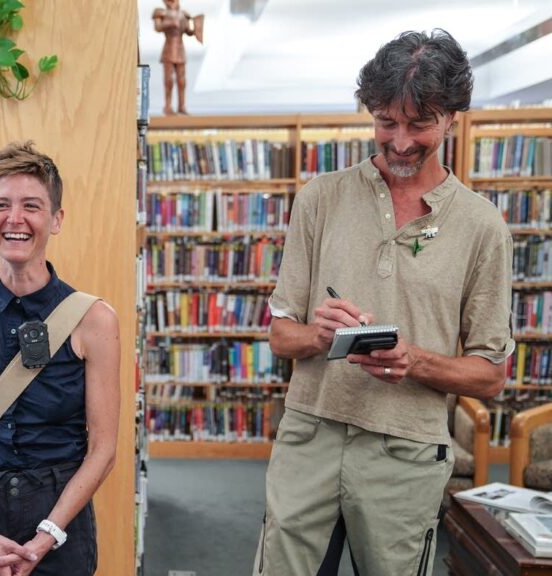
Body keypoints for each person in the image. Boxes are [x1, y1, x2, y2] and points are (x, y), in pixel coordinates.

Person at [254, 30, 514, 575]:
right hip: (310, 437)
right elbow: (281, 336)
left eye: (418, 124)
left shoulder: (482, 227)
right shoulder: (319, 198)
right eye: (385, 122)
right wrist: (320, 335)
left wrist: (413, 360)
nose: (398, 141)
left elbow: (491, 375)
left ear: (452, 118)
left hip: (406, 453)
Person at [0, 141, 120, 576]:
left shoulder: (94, 321)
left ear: (56, 220)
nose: (14, 219)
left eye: (31, 206)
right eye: (1, 205)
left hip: (58, 517)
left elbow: (104, 447)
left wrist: (48, 533)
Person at [152, 0, 197, 116]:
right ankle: (168, 106)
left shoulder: (183, 14)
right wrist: (171, 23)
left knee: (182, 80)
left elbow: (189, 31)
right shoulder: (160, 12)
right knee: (169, 80)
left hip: (180, 48)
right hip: (169, 47)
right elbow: (158, 27)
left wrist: (195, 25)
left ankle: (181, 106)